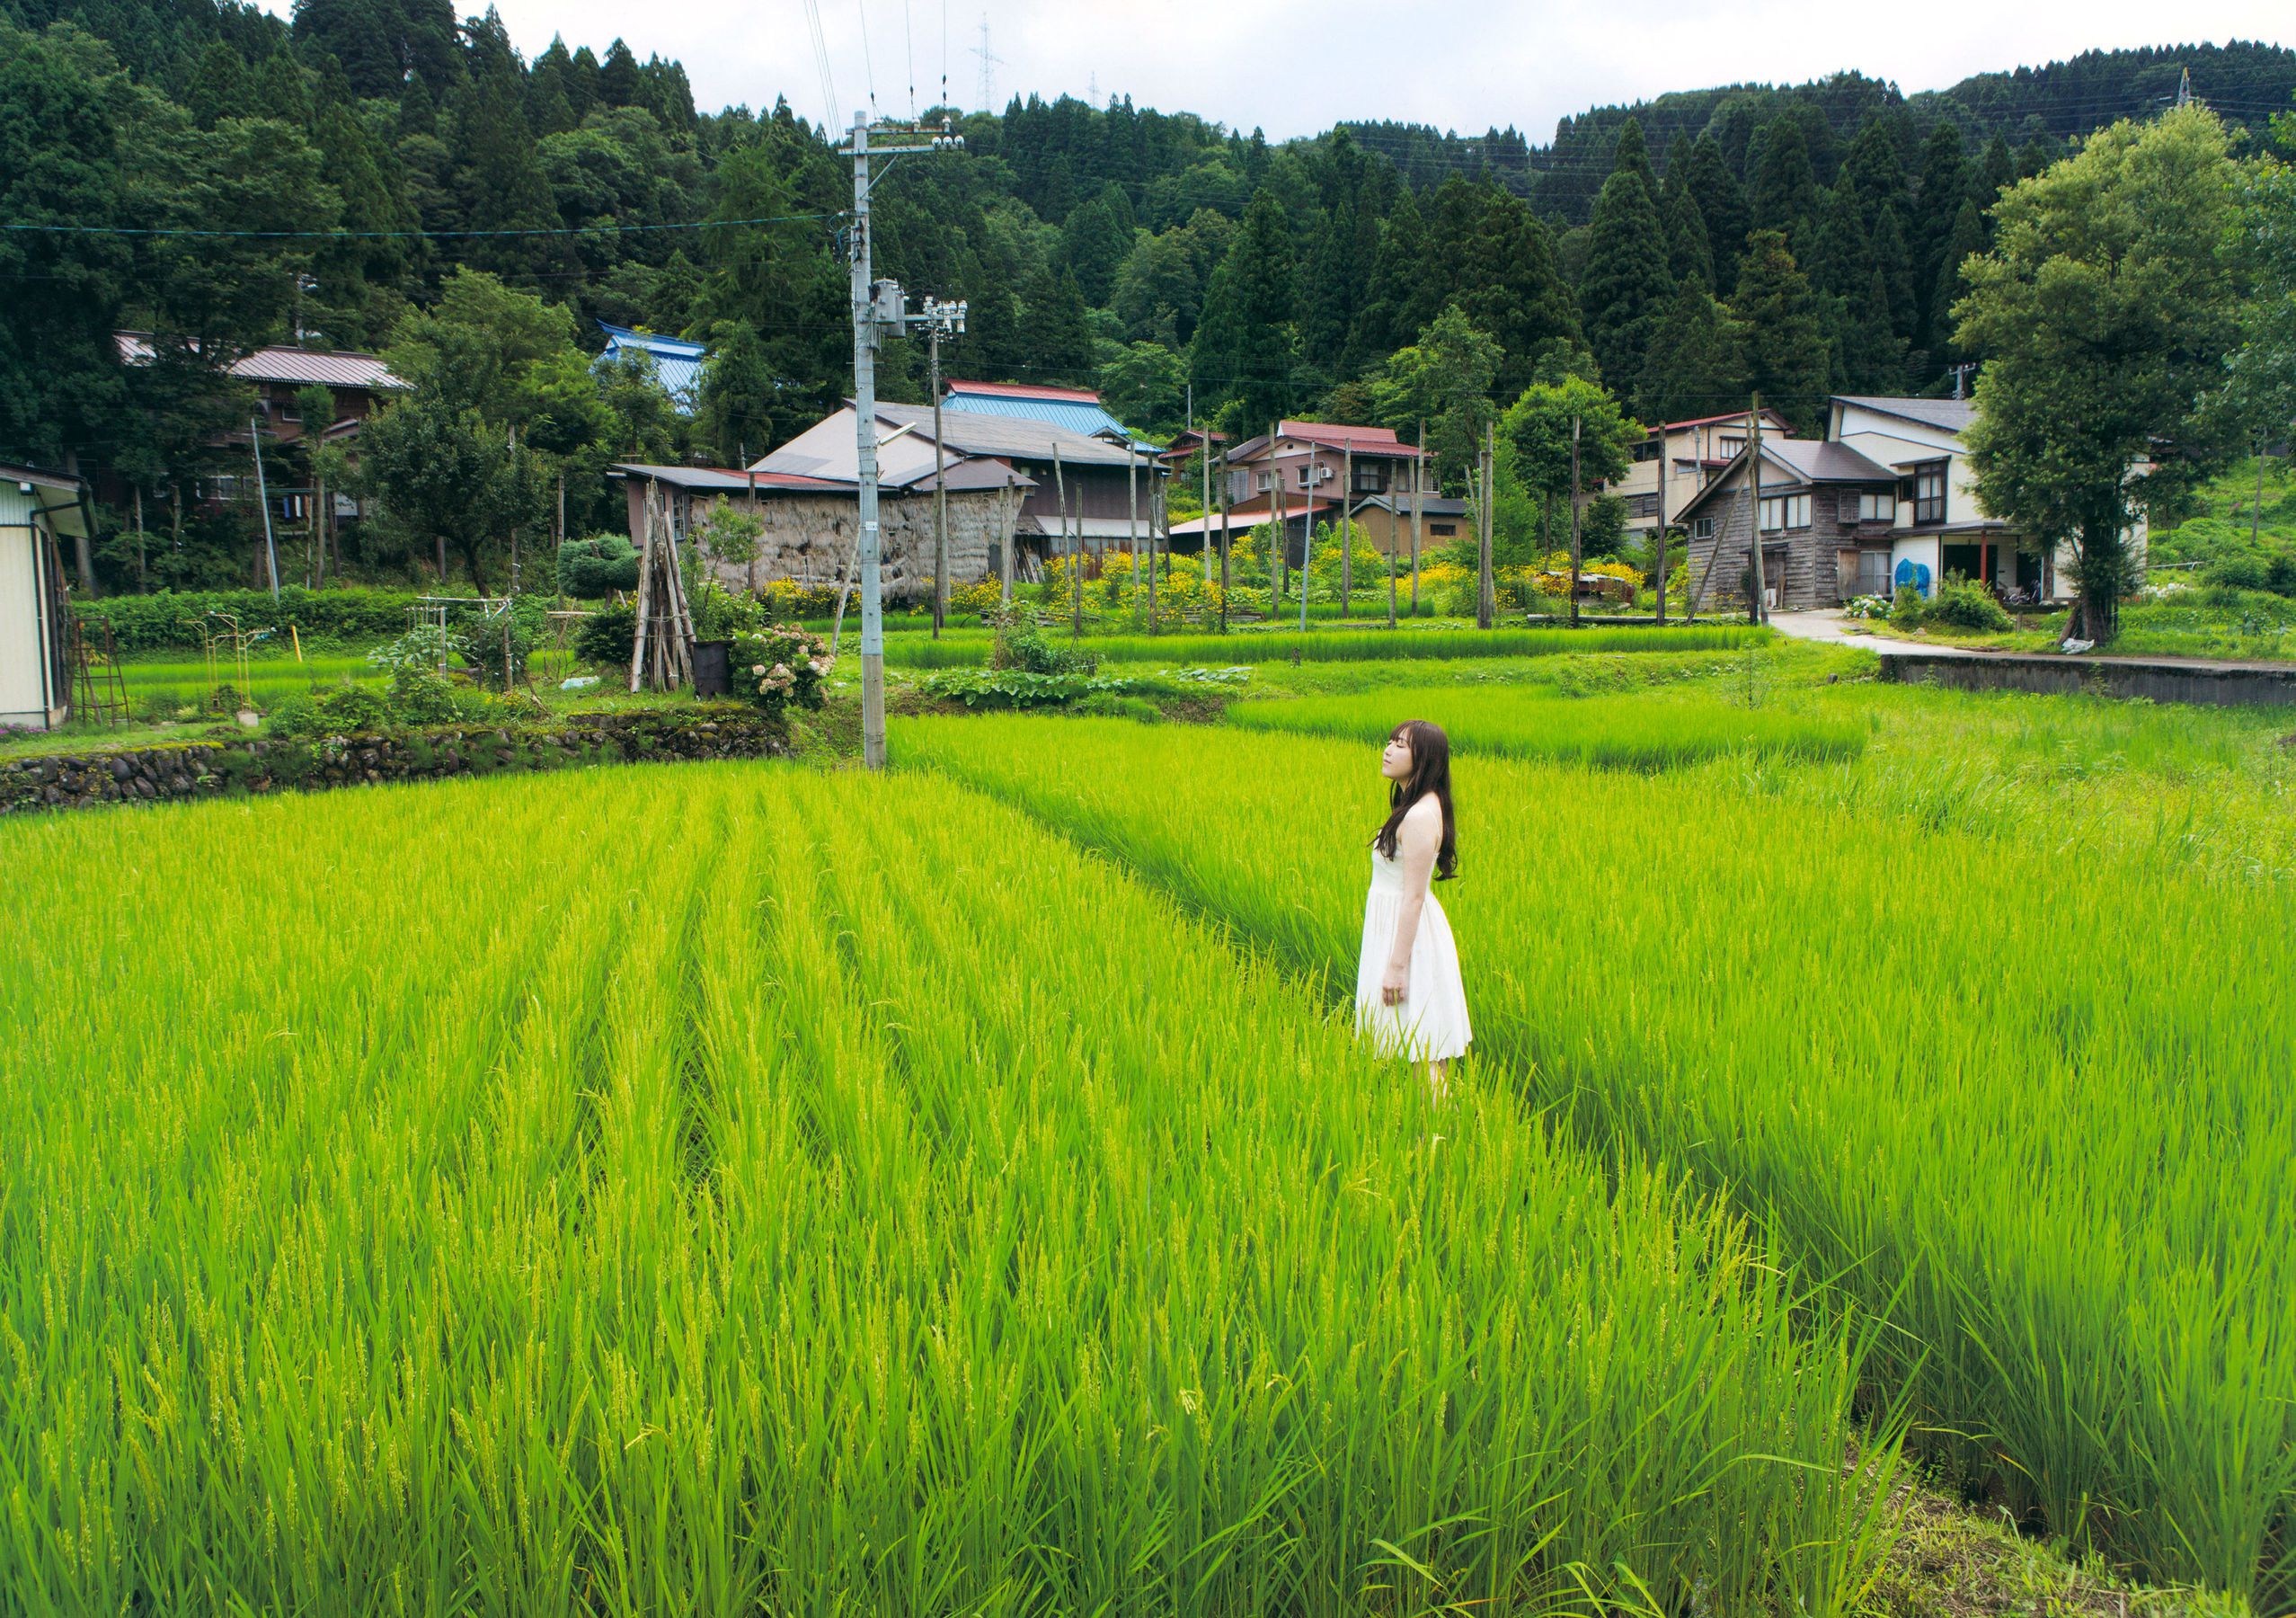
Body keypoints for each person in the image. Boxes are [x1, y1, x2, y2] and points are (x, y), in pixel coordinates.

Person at [1355, 719, 1470, 1100]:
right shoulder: (1415, 806)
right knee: (1424, 1048)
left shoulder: (1420, 815)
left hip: (1411, 940)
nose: (1388, 749)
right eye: (1389, 741)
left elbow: (1414, 896)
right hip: (1404, 933)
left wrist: (1396, 966)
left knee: (1424, 1048)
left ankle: (1441, 1143)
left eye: (1400, 745)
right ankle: (1437, 1139)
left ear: (1425, 758)